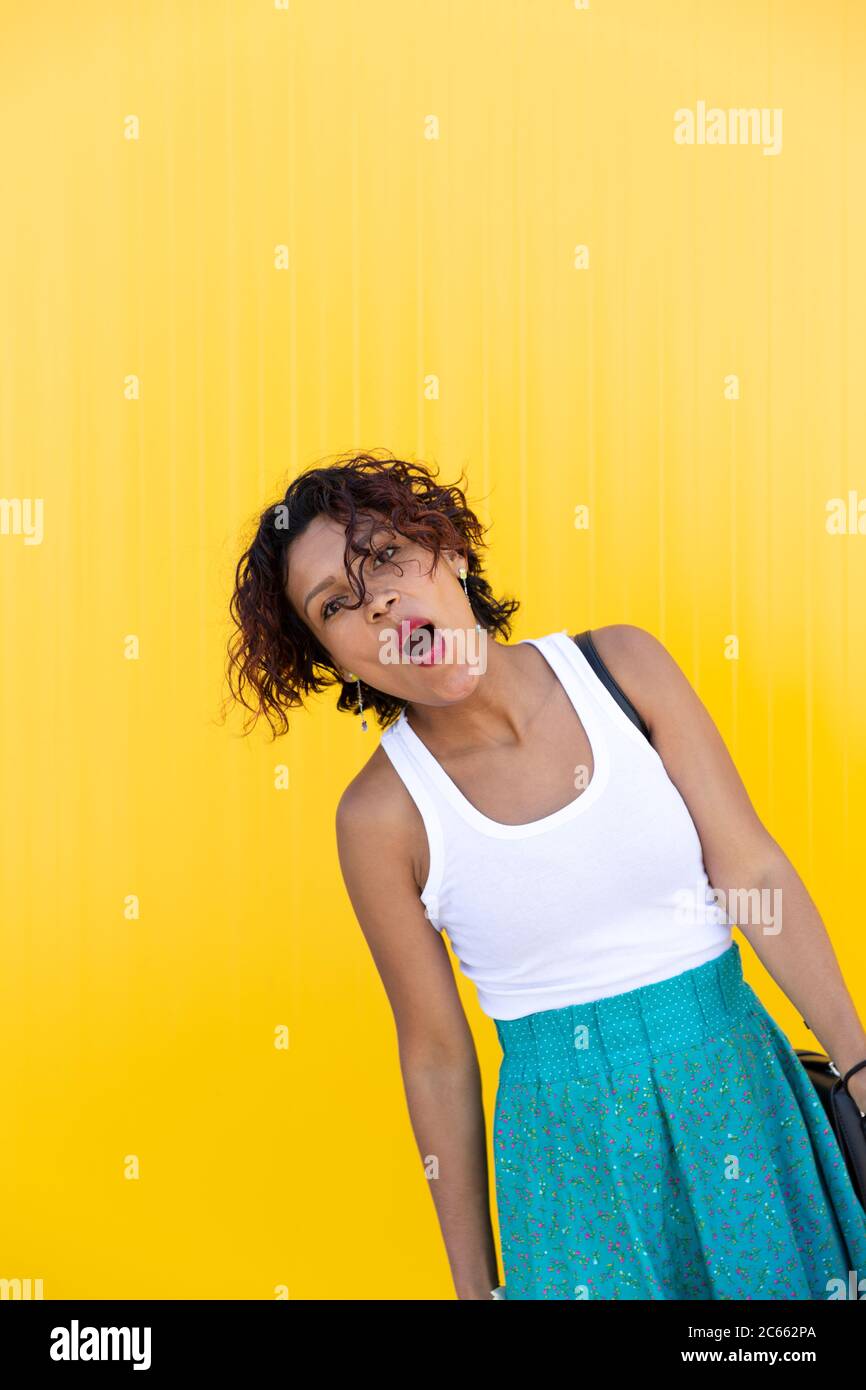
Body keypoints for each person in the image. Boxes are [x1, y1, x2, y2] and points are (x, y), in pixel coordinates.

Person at [224, 451, 866, 1301]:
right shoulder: (380, 818)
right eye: (335, 605)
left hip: (740, 1093)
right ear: (337, 660)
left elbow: (751, 868)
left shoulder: (624, 669)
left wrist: (860, 1068)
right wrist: (473, 1287)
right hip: (567, 1167)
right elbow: (436, 1052)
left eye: (384, 556)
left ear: (449, 551)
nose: (375, 599)